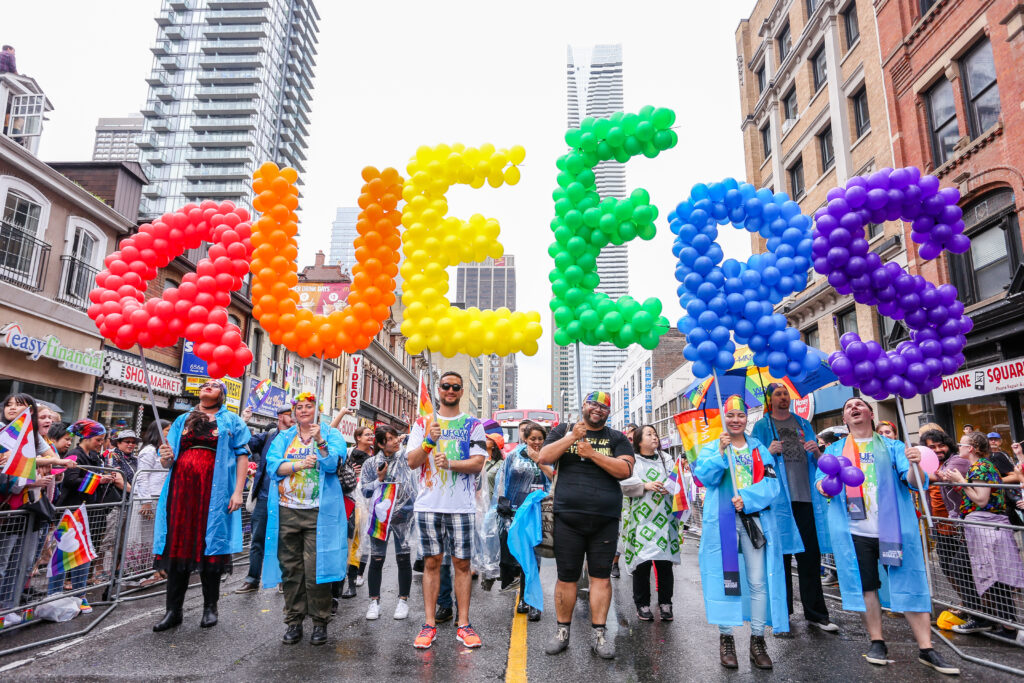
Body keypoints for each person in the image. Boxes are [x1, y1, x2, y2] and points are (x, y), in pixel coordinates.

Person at [816, 397, 958, 675]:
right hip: (855, 531)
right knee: (868, 586)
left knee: (909, 583)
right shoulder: (833, 450)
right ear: (845, 419)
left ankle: (927, 648)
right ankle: (877, 642)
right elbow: (821, 484)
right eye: (848, 407)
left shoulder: (895, 447)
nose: (853, 408)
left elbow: (914, 482)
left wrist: (917, 465)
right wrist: (824, 485)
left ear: (870, 413)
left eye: (859, 404)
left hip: (894, 530)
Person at [538, 390, 635, 660]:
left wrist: (592, 454)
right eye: (593, 404)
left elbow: (625, 470)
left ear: (608, 412)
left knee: (600, 578)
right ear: (583, 405)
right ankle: (562, 632)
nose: (598, 409)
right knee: (566, 577)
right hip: (568, 517)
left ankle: (599, 634)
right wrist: (572, 437)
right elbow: (544, 457)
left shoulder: (617, 438)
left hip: (604, 519)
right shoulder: (563, 430)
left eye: (604, 407)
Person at [695, 395, 786, 670]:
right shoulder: (712, 447)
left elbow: (772, 485)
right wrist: (721, 454)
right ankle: (727, 638)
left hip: (754, 521)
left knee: (758, 581)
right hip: (722, 523)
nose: (736, 420)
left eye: (741, 415)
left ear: (748, 418)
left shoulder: (760, 449)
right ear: (724, 418)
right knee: (727, 579)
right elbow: (706, 478)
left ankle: (757, 641)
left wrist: (746, 498)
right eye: (731, 415)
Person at [152, 380, 250, 632]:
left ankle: (210, 607)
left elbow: (242, 456)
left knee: (211, 549)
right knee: (177, 547)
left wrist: (238, 492)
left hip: (214, 494)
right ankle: (173, 611)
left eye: (214, 385)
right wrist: (165, 458)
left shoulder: (232, 421)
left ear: (222, 394)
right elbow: (168, 461)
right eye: (205, 384)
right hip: (181, 492)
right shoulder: (182, 419)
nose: (208, 386)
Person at [406, 371, 486, 650]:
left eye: (455, 387)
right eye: (446, 386)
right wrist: (428, 440)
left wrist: (451, 463)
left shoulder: (473, 425)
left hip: (461, 508)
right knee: (431, 563)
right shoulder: (421, 422)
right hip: (429, 506)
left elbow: (478, 464)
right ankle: (429, 624)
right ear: (438, 390)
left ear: (462, 391)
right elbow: (412, 462)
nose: (450, 390)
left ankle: (464, 624)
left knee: (462, 565)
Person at [261, 392, 348, 646]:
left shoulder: (332, 436)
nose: (303, 411)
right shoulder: (284, 437)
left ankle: (320, 622)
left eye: (308, 406)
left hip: (318, 513)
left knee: (315, 570)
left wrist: (320, 441)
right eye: (299, 407)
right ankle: (294, 621)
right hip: (287, 510)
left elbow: (332, 465)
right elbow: (273, 467)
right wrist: (298, 465)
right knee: (291, 569)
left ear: (316, 411)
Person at [751, 383, 837, 634]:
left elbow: (821, 463)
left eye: (786, 394)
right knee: (781, 558)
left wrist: (818, 452)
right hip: (778, 503)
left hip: (806, 498)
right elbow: (754, 464)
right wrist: (767, 451)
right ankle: (782, 613)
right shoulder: (762, 426)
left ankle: (817, 614)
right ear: (769, 400)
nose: (783, 398)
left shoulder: (803, 423)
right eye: (778, 394)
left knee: (810, 557)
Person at [938, 432, 1024, 637]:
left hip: (986, 529)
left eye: (962, 444)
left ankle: (984, 618)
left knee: (968, 569)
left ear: (972, 449)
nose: (959, 447)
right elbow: (974, 496)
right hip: (984, 528)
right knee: (991, 574)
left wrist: (960, 479)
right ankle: (1004, 623)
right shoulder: (981, 467)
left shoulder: (981, 467)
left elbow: (981, 500)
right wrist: (956, 482)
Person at [921, 429, 984, 628]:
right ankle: (969, 606)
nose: (938, 450)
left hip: (962, 525)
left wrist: (915, 471)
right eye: (932, 447)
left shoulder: (957, 461)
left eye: (941, 445)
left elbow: (939, 476)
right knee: (948, 567)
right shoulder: (932, 463)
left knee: (963, 568)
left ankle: (981, 612)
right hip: (940, 525)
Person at [0, 394, 56, 609]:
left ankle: (9, 606)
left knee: (23, 563)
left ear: (30, 411)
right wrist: (32, 476)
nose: (12, 409)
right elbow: (11, 469)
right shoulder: (3, 431)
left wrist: (42, 465)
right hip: (9, 508)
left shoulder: (32, 434)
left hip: (31, 509)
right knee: (3, 562)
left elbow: (52, 460)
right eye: (8, 405)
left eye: (18, 405)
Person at [491, 422, 552, 621]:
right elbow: (503, 480)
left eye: (539, 439)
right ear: (525, 438)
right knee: (519, 555)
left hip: (539, 511)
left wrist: (539, 460)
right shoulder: (513, 456)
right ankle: (523, 596)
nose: (536, 442)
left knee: (534, 556)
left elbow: (554, 479)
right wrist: (502, 502)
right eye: (532, 438)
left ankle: (531, 601)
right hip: (516, 511)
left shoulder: (548, 456)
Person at [620, 425, 681, 623]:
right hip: (641, 520)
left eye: (655, 434)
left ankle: (665, 603)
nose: (654, 437)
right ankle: (642, 604)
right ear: (638, 441)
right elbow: (623, 484)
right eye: (649, 434)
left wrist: (670, 487)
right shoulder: (632, 461)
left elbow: (678, 481)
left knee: (664, 563)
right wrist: (645, 486)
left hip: (665, 519)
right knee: (642, 563)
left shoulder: (666, 458)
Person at [235, 405, 293, 595]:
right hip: (264, 497)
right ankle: (252, 579)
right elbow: (245, 442)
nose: (292, 418)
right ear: (279, 417)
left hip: (287, 498)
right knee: (257, 539)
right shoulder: (268, 436)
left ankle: (284, 579)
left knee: (285, 541)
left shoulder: (298, 440)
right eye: (288, 415)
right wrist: (244, 420)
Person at [58, 418, 117, 602]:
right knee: (71, 545)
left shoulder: (93, 456)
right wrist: (98, 480)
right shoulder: (75, 455)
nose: (100, 444)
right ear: (86, 438)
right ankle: (68, 580)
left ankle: (79, 580)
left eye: (102, 440)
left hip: (89, 508)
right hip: (74, 507)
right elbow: (70, 480)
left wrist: (103, 478)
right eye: (97, 440)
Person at [361, 426, 416, 621]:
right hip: (380, 517)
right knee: (376, 559)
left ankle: (403, 600)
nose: (394, 442)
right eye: (389, 439)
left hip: (403, 516)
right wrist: (380, 479)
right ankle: (374, 602)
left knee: (403, 558)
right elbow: (365, 491)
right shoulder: (370, 464)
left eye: (395, 438)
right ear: (381, 443)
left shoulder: (404, 458)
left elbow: (418, 445)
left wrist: (406, 436)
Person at [133, 420, 170, 587]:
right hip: (146, 499)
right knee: (142, 537)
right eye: (167, 430)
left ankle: (153, 569)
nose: (170, 433)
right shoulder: (148, 451)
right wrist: (146, 501)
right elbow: (142, 477)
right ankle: (139, 573)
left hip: (159, 498)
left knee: (154, 537)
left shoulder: (164, 451)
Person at [341, 425, 375, 597]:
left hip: (366, 501)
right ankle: (340, 579)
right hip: (347, 499)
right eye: (367, 434)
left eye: (372, 434)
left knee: (359, 540)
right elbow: (338, 470)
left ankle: (354, 578)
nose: (370, 436)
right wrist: (350, 472)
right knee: (344, 540)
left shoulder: (375, 457)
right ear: (358, 437)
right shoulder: (347, 453)